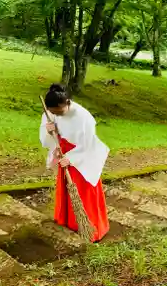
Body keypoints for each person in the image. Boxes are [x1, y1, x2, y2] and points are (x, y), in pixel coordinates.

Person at [39, 84, 109, 242]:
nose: (57, 115)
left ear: (67, 102)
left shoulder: (84, 118)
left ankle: (91, 228)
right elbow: (49, 134)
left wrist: (71, 158)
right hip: (64, 152)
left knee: (84, 191)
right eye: (53, 113)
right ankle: (68, 221)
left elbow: (89, 145)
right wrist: (50, 131)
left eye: (59, 112)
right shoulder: (51, 111)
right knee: (67, 190)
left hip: (82, 157)